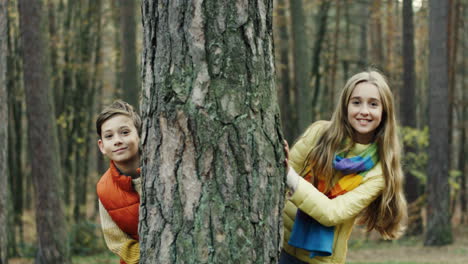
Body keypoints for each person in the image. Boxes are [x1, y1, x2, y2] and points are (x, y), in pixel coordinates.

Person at [280, 70, 407, 264]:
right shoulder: (319, 134)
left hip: (321, 260)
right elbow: (279, 181)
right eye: (356, 102)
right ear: (346, 106)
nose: (364, 110)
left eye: (373, 104)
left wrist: (289, 176)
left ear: (384, 111)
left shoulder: (379, 172)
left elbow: (332, 213)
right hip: (279, 245)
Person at [96, 100, 141, 264]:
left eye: (125, 132)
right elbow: (116, 241)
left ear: (139, 135)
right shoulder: (105, 189)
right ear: (102, 146)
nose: (117, 140)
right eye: (109, 136)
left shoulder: (164, 171)